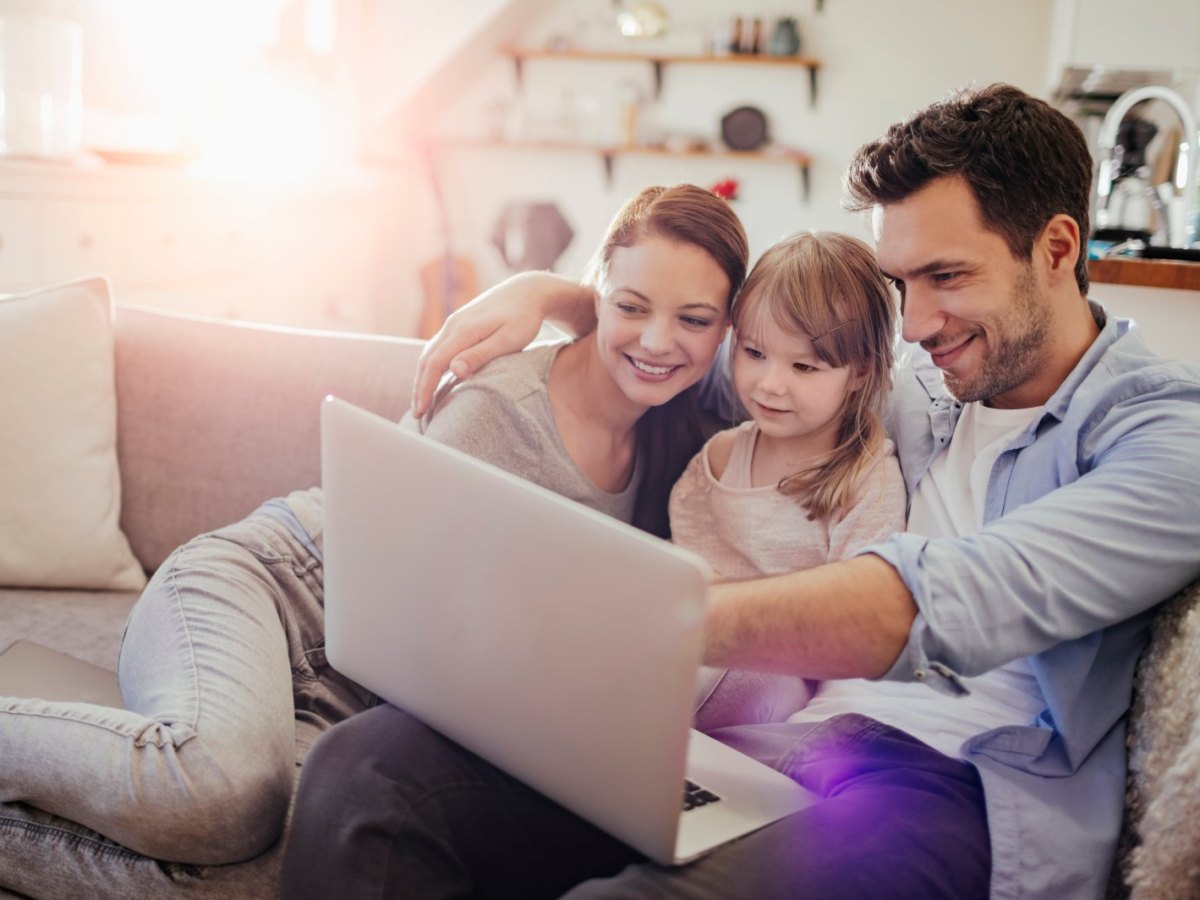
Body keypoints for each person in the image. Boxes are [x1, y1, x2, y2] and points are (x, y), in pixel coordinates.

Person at [282, 83, 1200, 900]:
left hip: (942, 785)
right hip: (753, 749)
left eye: (948, 278)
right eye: (901, 284)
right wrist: (563, 297)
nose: (917, 323)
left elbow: (943, 599)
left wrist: (640, 618)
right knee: (367, 769)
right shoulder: (911, 379)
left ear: (1057, 246)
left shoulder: (1164, 439)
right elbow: (690, 356)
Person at [0, 183, 747, 897]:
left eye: (693, 319)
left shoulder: (687, 438)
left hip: (362, 692)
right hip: (274, 589)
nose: (658, 340)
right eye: (631, 306)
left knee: (286, 872)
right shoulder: (497, 407)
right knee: (221, 791)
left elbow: (806, 360)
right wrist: (544, 291)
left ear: (726, 332)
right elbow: (411, 614)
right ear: (597, 294)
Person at [678, 231, 906, 729]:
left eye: (804, 365)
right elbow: (682, 577)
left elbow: (860, 622)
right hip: (686, 664)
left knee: (758, 683)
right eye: (754, 352)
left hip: (783, 693)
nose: (769, 384)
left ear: (862, 371)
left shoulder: (868, 482)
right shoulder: (719, 459)